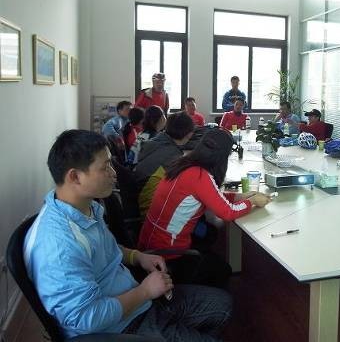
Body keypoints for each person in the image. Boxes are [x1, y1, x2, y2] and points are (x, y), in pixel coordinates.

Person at [24, 129, 231, 340]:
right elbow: (87, 319)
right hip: (121, 328)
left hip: (136, 299)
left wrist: (137, 257)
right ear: (75, 176)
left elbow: (106, 250)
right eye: (105, 167)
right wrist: (145, 292)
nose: (114, 173)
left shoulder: (86, 207)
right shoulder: (58, 246)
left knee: (223, 305)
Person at [138, 129, 271, 288]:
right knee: (224, 269)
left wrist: (241, 196)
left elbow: (211, 196)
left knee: (211, 234)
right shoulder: (200, 176)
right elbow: (227, 213)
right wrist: (252, 201)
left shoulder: (185, 164)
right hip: (166, 254)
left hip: (149, 243)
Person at [135, 112, 195, 219]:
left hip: (138, 195)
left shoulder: (155, 141)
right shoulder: (173, 156)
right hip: (151, 211)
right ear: (189, 134)